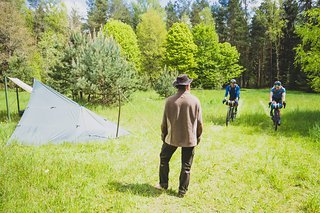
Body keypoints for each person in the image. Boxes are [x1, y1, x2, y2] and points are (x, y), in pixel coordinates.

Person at [156, 74, 203, 198]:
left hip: (172, 137)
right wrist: (198, 137)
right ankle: (182, 191)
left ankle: (163, 184)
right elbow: (199, 123)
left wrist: (164, 135)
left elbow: (164, 122)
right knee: (186, 166)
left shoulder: (169, 101)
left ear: (177, 86)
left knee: (164, 159)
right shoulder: (195, 101)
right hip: (190, 139)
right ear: (188, 86)